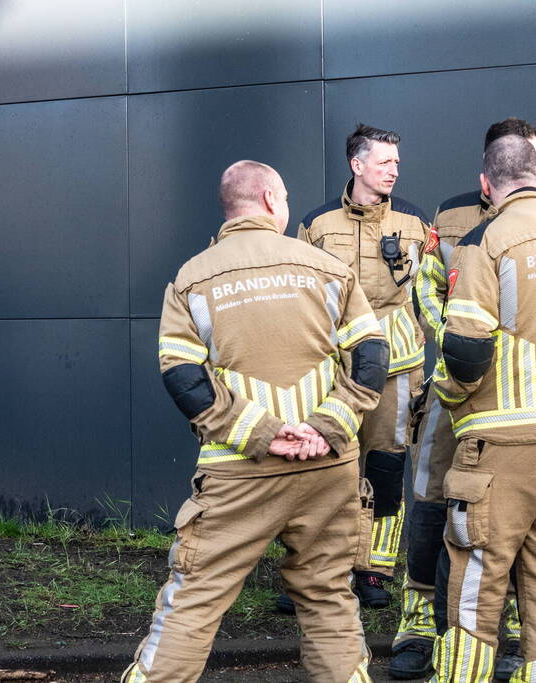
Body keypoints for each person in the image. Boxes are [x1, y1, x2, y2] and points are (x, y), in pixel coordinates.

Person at [122, 160, 388, 682]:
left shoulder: (191, 279)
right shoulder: (330, 268)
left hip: (239, 474)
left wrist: (262, 436)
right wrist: (326, 429)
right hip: (328, 469)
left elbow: (182, 376)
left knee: (194, 601)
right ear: (270, 200)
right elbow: (371, 357)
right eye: (285, 198)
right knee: (329, 596)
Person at [391, 118, 536, 681]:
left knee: (480, 557)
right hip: (464, 407)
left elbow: (473, 346)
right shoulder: (451, 220)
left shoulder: (488, 238)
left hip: (485, 410)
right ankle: (418, 619)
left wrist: (453, 379)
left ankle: (496, 649)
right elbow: (428, 287)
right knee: (429, 500)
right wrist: (444, 334)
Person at [296, 123, 429, 607]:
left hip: (396, 365)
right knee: (323, 464)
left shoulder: (416, 222)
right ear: (357, 165)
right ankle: (314, 570)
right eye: (384, 162)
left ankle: (375, 570)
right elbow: (301, 297)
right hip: (334, 365)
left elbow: (431, 287)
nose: (395, 169)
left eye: (397, 162)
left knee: (387, 463)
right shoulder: (316, 223)